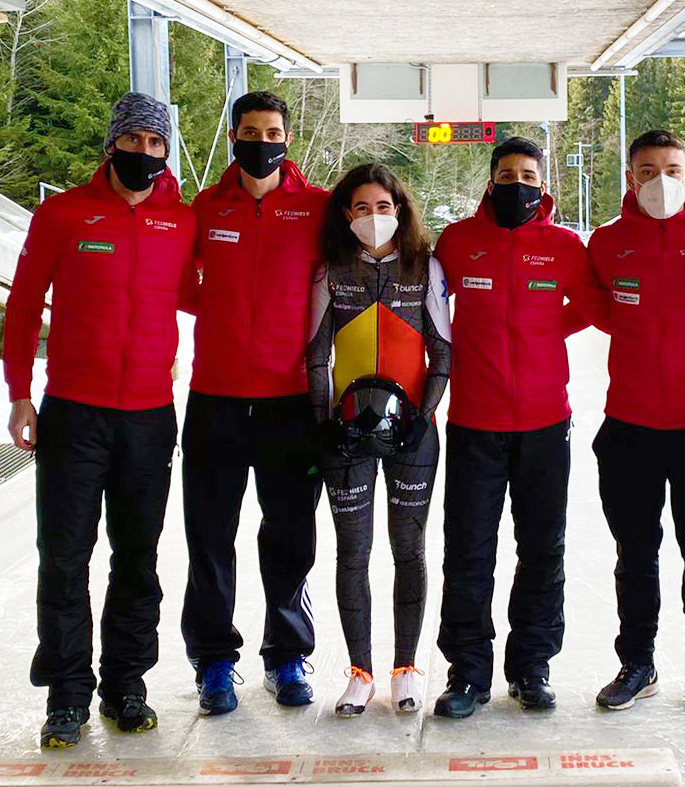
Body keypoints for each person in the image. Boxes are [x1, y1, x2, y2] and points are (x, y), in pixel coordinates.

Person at [4, 92, 194, 748]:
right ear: (111, 143)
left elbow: (218, 293)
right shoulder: (62, 215)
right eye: (133, 140)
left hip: (147, 417)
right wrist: (19, 393)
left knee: (136, 557)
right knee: (63, 556)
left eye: (155, 143)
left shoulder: (183, 223)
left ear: (166, 151)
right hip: (73, 414)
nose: (144, 152)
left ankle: (125, 683)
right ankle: (65, 691)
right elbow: (25, 305)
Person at [431, 137, 609, 718]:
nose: (518, 184)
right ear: (490, 181)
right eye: (507, 174)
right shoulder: (458, 242)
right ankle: (467, 673)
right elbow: (427, 305)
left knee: (541, 550)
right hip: (474, 422)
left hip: (543, 422)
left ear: (544, 182)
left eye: (528, 175)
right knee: (469, 551)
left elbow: (590, 306)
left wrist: (543, 333)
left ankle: (531, 667)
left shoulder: (563, 246)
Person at [178, 91, 328, 715]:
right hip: (214, 397)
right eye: (249, 130)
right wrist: (223, 319)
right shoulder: (206, 207)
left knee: (290, 535)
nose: (261, 140)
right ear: (234, 135)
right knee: (209, 535)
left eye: (272, 131)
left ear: (287, 139)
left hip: (290, 401)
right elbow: (181, 284)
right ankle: (214, 662)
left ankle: (287, 653)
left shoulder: (318, 209)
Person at [585, 130, 685, 713]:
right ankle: (637, 663)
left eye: (672, 168)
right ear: (631, 178)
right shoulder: (607, 243)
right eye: (648, 170)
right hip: (629, 428)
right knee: (636, 553)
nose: (661, 180)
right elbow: (590, 305)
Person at [307, 163, 451, 717]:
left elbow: (442, 351)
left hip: (412, 433)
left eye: (384, 207)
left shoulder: (424, 266)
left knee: (409, 549)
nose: (374, 217)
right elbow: (317, 355)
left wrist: (425, 414)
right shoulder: (331, 270)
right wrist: (326, 424)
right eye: (362, 208)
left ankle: (407, 667)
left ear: (401, 211)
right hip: (347, 434)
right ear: (347, 215)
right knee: (353, 552)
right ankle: (360, 672)